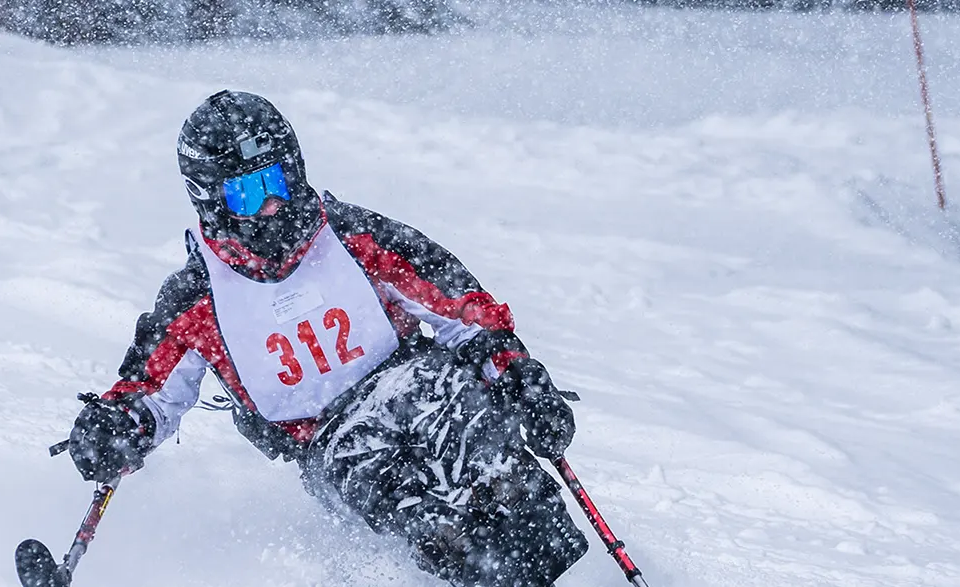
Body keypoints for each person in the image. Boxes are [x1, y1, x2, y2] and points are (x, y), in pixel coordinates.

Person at [63, 90, 588, 586]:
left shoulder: (353, 236)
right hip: (330, 442)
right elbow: (152, 393)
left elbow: (458, 306)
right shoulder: (199, 300)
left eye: (278, 183)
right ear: (211, 200)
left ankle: (544, 546)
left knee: (480, 455)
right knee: (423, 515)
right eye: (248, 193)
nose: (271, 205)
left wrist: (514, 371)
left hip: (416, 383)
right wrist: (116, 428)